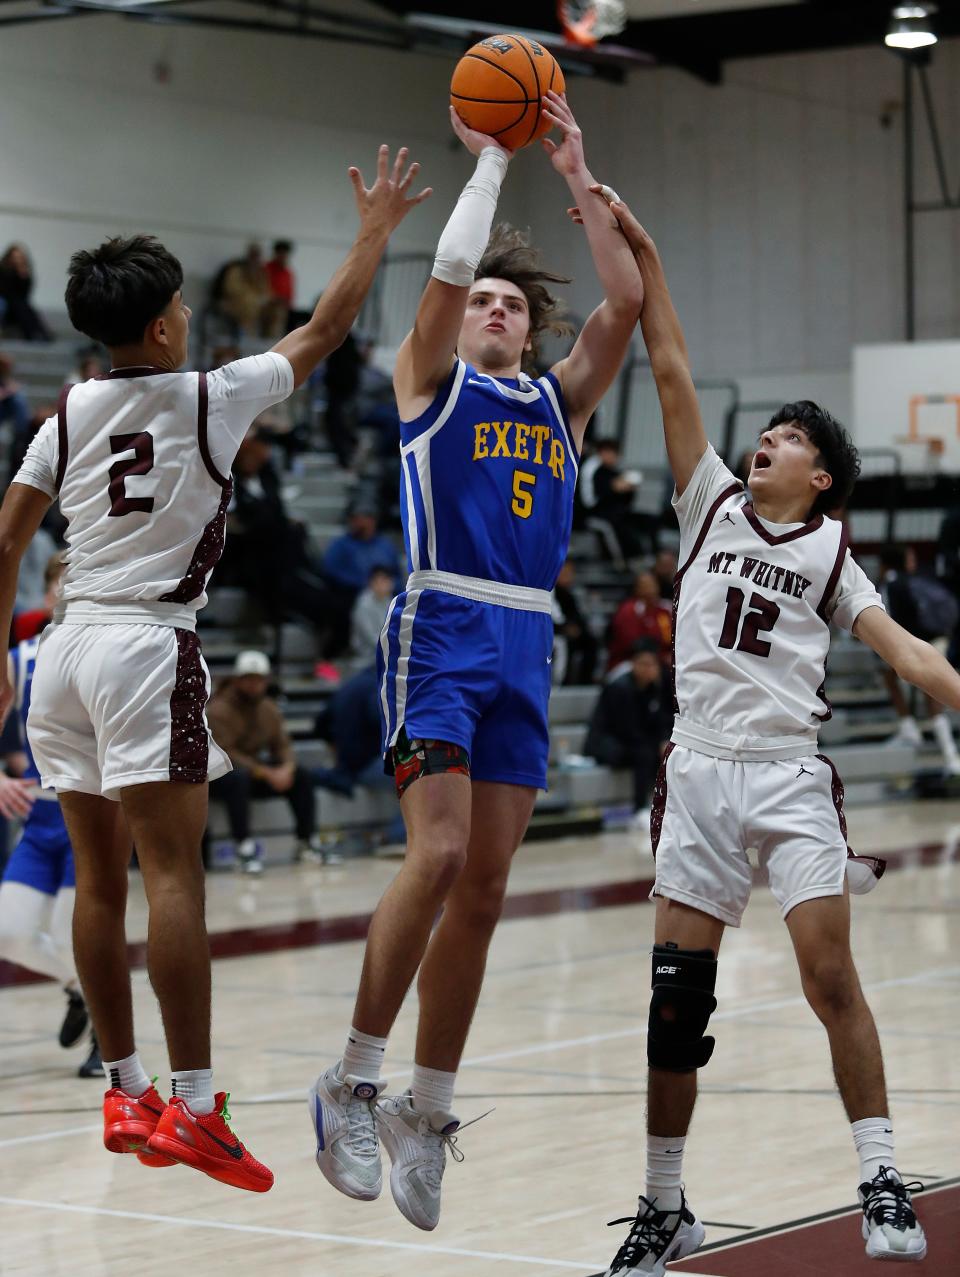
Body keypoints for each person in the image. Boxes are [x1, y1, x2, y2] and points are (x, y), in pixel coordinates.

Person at [0, 143, 429, 1193]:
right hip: (148, 644)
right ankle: (193, 1104)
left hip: (60, 648)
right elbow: (325, 330)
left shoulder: (65, 412)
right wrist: (375, 229)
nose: (190, 316)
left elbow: (5, 537)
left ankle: (127, 1083)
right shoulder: (211, 394)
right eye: (183, 307)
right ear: (158, 325)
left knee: (99, 880)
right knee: (174, 875)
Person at [573, 188, 945, 1272]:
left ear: (819, 476)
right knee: (674, 1010)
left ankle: (880, 1174)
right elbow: (673, 366)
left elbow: (910, 656)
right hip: (695, 775)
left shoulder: (834, 554)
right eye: (763, 437)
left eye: (783, 441)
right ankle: (663, 1203)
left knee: (829, 979)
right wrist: (645, 253)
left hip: (785, 778)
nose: (762, 446)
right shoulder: (708, 508)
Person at [308, 91, 643, 1231]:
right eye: (482, 300)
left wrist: (578, 169)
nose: (494, 307)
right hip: (444, 622)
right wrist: (494, 163)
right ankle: (351, 1077)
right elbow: (447, 269)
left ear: (529, 331)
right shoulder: (425, 381)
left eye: (512, 303)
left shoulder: (560, 402)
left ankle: (424, 1107)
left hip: (529, 632)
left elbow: (628, 301)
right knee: (440, 852)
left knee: (491, 884)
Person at [0, 629, 105, 1077]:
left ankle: (108, 1035)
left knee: (71, 938)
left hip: (92, 816)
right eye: (58, 582)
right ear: (46, 591)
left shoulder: (104, 650)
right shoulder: (18, 660)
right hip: (41, 821)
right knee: (8, 933)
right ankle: (79, 990)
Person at [207, 650, 329, 871]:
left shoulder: (268, 709)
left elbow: (282, 745)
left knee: (301, 775)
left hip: (255, 773)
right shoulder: (218, 709)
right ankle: (243, 848)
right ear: (237, 680)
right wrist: (266, 772)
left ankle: (306, 842)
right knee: (238, 779)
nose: (254, 685)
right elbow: (226, 753)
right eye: (248, 679)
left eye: (259, 679)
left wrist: (287, 768)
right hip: (220, 776)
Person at [879, 545, 960, 773]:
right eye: (910, 556)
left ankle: (950, 755)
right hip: (932, 641)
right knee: (893, 679)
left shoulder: (891, 585)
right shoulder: (914, 580)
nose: (912, 560)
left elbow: (894, 623)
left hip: (920, 646)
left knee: (930, 695)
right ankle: (913, 732)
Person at [585, 638, 672, 820]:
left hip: (634, 741)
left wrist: (664, 741)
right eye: (643, 664)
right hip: (606, 742)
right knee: (644, 754)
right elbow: (626, 729)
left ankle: (669, 807)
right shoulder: (620, 688)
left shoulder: (656, 689)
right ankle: (639, 808)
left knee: (667, 753)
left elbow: (662, 721)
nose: (648, 669)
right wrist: (656, 744)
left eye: (652, 665)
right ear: (633, 664)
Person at [606, 569, 672, 672]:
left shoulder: (667, 609)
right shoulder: (628, 610)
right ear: (636, 589)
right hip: (629, 661)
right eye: (644, 585)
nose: (649, 589)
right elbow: (631, 643)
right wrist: (660, 657)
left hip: (664, 661)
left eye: (652, 584)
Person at [551, 558, 598, 685]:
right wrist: (565, 628)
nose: (568, 576)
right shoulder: (549, 590)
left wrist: (577, 628)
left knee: (590, 641)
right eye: (564, 572)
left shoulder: (568, 595)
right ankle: (562, 682)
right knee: (564, 644)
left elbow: (577, 616)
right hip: (554, 632)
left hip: (567, 631)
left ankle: (585, 681)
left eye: (570, 573)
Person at [0, 244, 52, 342]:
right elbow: (5, 291)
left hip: (16, 305)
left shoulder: (23, 272)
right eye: (15, 257)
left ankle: (36, 333)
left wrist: (23, 276)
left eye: (19, 257)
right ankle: (38, 333)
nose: (17, 260)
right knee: (20, 306)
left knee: (23, 306)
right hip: (5, 301)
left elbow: (25, 294)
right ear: (9, 257)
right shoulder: (2, 269)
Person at [351, 565, 395, 662]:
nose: (381, 586)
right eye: (377, 582)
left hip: (389, 649)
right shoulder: (364, 604)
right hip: (367, 655)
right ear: (371, 583)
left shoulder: (392, 601)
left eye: (384, 581)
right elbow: (371, 638)